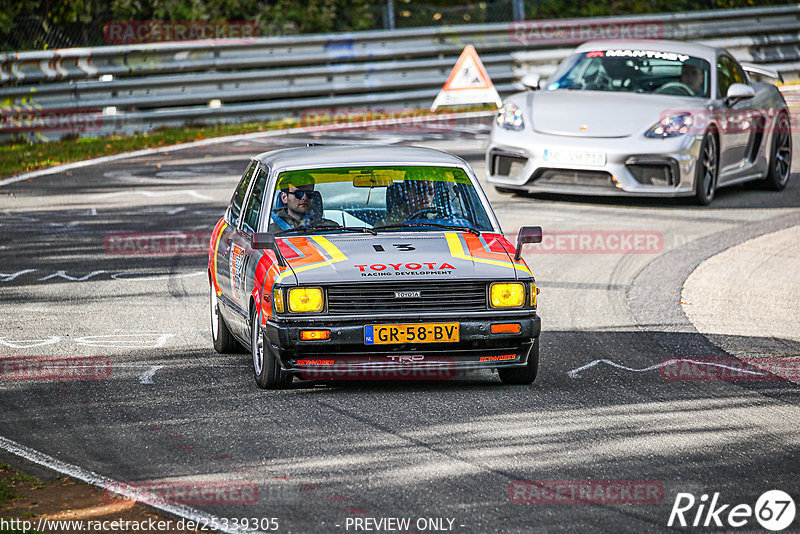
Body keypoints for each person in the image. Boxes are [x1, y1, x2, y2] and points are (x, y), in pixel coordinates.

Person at [269, 180, 337, 232]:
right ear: (284, 197)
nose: (305, 197)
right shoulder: (270, 232)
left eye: (309, 193)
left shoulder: (331, 228)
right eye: (298, 193)